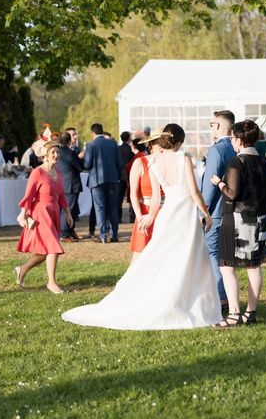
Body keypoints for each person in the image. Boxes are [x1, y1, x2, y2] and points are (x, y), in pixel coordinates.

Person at [62, 128, 221, 330]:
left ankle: (171, 300)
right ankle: (188, 303)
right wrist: (205, 214)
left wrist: (150, 217)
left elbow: (156, 198)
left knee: (164, 259)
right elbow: (194, 191)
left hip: (167, 214)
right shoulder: (184, 160)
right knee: (190, 259)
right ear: (178, 142)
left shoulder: (153, 163)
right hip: (185, 215)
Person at [210, 120, 266, 327]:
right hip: (261, 219)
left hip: (238, 220)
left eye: (232, 139)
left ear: (238, 139)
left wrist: (218, 182)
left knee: (227, 267)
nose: (232, 142)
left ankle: (234, 314)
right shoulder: (265, 163)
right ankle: (251, 312)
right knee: (253, 267)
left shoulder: (236, 162)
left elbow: (232, 193)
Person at [15, 141, 74, 294]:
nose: (56, 155)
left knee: (44, 252)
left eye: (57, 152)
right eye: (53, 153)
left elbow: (61, 196)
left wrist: (68, 213)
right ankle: (52, 283)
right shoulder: (37, 173)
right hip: (40, 214)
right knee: (54, 247)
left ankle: (22, 270)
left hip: (54, 212)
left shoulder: (58, 173)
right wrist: (23, 214)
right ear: (45, 156)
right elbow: (28, 196)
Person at [200, 110, 236, 311]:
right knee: (226, 256)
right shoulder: (235, 148)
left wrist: (203, 212)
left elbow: (210, 184)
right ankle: (226, 295)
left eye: (212, 124)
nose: (211, 128)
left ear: (220, 126)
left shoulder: (216, 150)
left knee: (213, 253)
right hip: (231, 209)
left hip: (215, 211)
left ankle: (221, 296)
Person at [84, 123, 123, 243]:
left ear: (92, 133)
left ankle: (103, 234)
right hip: (112, 179)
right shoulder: (113, 143)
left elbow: (87, 165)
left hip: (97, 180)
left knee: (99, 207)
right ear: (102, 131)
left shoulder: (91, 145)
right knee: (113, 207)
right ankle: (115, 234)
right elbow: (119, 163)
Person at [128, 130, 163, 261]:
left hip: (165, 211)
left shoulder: (167, 163)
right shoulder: (140, 162)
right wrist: (139, 217)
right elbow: (133, 194)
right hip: (145, 210)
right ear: (151, 144)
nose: (161, 145)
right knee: (140, 254)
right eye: (158, 142)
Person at [57, 131, 84, 242]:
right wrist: (80, 157)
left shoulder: (56, 152)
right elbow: (80, 167)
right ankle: (64, 234)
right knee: (68, 210)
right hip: (71, 185)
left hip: (59, 183)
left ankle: (70, 231)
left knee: (66, 209)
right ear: (69, 141)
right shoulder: (70, 153)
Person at [118, 131, 134, 223]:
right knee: (132, 197)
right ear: (129, 138)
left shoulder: (118, 149)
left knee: (119, 199)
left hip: (120, 176)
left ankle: (119, 217)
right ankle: (132, 217)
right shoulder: (131, 150)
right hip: (129, 175)